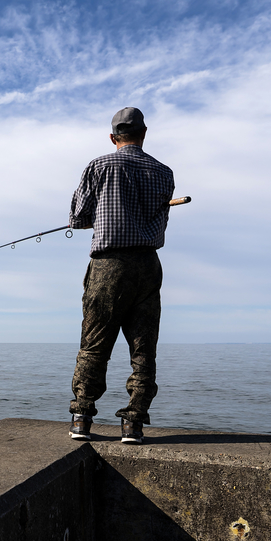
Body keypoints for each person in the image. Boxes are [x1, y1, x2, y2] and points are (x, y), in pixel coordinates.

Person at [67, 107, 175, 444]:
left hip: (108, 265)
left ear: (113, 137)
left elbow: (78, 217)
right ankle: (134, 424)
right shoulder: (164, 172)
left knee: (94, 344)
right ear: (144, 134)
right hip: (147, 265)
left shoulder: (99, 165)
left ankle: (82, 418)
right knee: (143, 349)